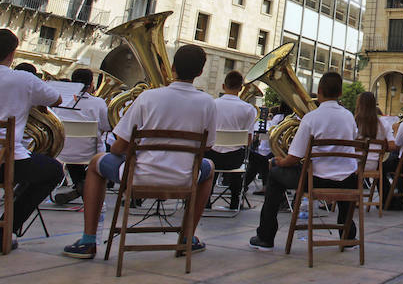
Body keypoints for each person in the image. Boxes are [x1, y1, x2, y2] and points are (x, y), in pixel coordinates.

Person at [63, 44, 217, 259]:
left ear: (172, 68)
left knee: (96, 163)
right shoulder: (209, 103)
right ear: (200, 72)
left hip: (138, 176)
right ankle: (187, 237)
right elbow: (207, 147)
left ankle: (88, 240)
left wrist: (122, 152)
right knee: (209, 167)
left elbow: (120, 145)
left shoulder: (148, 97)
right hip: (183, 178)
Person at [249, 72, 358, 251]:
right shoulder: (349, 117)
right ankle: (348, 236)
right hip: (347, 180)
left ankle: (265, 237)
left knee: (275, 174)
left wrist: (280, 162)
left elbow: (294, 157)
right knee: (342, 174)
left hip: (315, 180)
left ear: (319, 91)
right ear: (340, 93)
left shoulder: (311, 118)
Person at [0, 29, 64, 251]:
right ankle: (7, 228)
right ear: (12, 54)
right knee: (54, 171)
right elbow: (57, 99)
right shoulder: (23, 79)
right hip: (7, 162)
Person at [53, 68, 111, 205]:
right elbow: (107, 127)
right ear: (91, 84)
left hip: (61, 153)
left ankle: (81, 187)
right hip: (90, 153)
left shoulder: (60, 101)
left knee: (72, 149)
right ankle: (85, 188)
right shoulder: (98, 103)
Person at [205, 70, 257, 210]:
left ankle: (206, 201)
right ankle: (235, 202)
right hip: (234, 159)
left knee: (210, 162)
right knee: (238, 163)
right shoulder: (249, 109)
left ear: (223, 86)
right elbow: (249, 140)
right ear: (241, 88)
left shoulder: (212, 104)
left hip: (211, 157)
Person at [354, 91, 395, 202]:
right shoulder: (383, 124)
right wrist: (380, 146)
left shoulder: (354, 122)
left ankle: (342, 199)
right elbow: (392, 146)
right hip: (374, 165)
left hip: (355, 166)